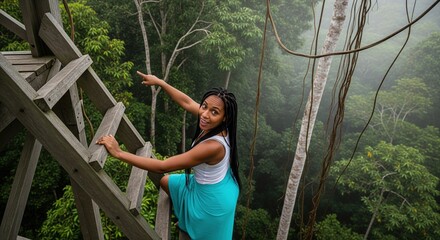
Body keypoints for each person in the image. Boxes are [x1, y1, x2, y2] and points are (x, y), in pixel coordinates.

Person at [97, 71, 241, 239]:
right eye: (204, 106)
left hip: (212, 202)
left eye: (214, 112)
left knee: (166, 180)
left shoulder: (212, 147)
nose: (205, 114)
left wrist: (119, 153)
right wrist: (161, 83)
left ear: (225, 117)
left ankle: (193, 221)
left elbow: (163, 166)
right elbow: (187, 102)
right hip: (222, 185)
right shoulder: (220, 125)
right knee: (166, 182)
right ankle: (190, 216)